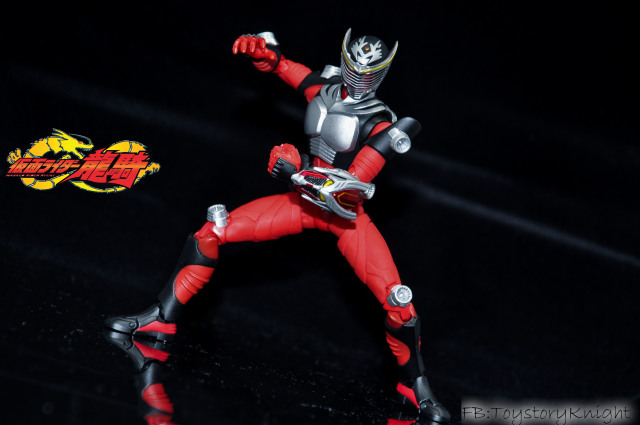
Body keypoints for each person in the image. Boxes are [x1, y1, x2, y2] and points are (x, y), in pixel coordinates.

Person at [106, 29, 450, 423]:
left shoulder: (382, 123)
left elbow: (349, 189)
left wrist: (298, 171)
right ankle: (160, 319)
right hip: (300, 204)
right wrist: (267, 56)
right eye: (354, 66)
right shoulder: (325, 88)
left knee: (400, 306)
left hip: (346, 219)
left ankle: (415, 386)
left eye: (368, 71)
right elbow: (288, 69)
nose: (358, 76)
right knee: (211, 231)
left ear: (382, 72)